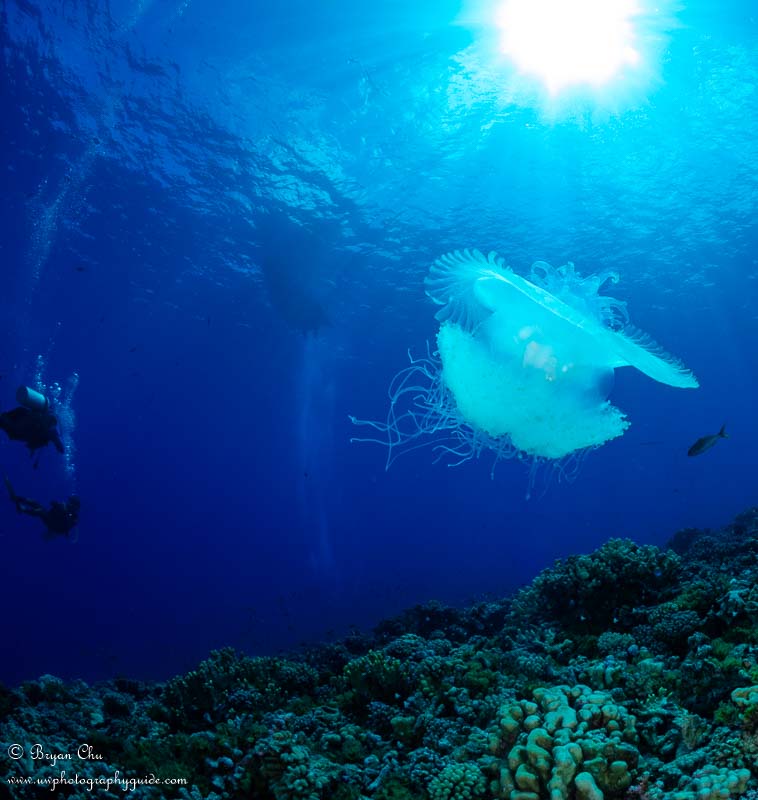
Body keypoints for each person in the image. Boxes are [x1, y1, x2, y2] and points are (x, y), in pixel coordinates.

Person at [4, 476, 80, 538]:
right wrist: (56, 505)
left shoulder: (73, 517)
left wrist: (60, 509)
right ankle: (16, 498)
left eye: (71, 502)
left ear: (74, 506)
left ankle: (22, 509)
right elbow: (55, 510)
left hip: (54, 526)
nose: (68, 503)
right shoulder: (65, 507)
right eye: (69, 501)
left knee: (40, 511)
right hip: (50, 517)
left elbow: (64, 525)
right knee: (35, 503)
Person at [0, 405, 64, 465]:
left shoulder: (38, 414)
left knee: (6, 422)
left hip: (19, 424)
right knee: (7, 424)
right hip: (21, 431)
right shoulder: (52, 431)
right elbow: (61, 448)